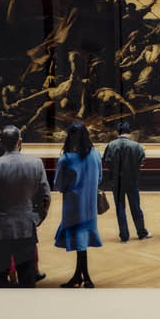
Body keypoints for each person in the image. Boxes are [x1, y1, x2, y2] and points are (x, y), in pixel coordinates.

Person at [0, 125, 50, 288]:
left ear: (0, 142)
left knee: (0, 280)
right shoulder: (36, 164)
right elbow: (45, 197)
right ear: (20, 141)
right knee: (27, 279)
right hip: (26, 227)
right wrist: (36, 219)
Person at [54, 120, 104, 288]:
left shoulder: (66, 159)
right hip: (90, 206)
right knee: (82, 242)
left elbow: (59, 185)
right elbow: (99, 179)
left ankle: (83, 277)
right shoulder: (96, 154)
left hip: (73, 207)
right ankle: (81, 276)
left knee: (79, 242)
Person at [102, 118, 148, 242]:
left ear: (118, 132)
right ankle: (141, 232)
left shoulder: (111, 145)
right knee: (136, 207)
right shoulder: (137, 146)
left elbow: (106, 161)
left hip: (116, 181)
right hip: (132, 181)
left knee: (120, 207)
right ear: (129, 132)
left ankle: (124, 235)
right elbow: (142, 162)